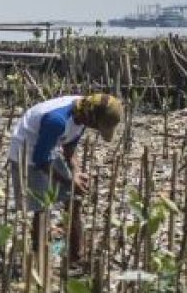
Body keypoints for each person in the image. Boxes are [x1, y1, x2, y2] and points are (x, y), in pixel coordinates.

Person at [7, 92, 123, 267]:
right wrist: (69, 180)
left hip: (48, 149)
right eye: (97, 126)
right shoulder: (57, 121)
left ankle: (75, 258)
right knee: (42, 208)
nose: (95, 130)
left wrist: (75, 172)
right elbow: (40, 159)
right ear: (91, 118)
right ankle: (40, 260)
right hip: (26, 154)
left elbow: (69, 148)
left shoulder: (82, 114)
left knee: (73, 199)